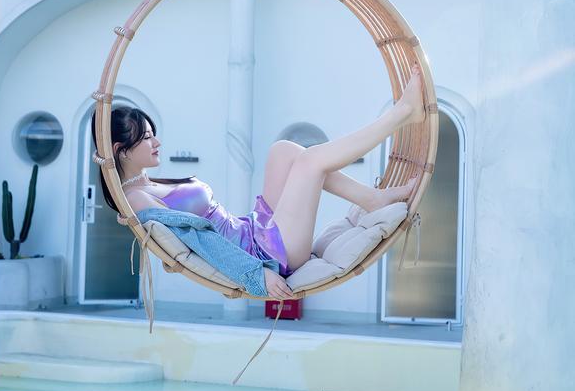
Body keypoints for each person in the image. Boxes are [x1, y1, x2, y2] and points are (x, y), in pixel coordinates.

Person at [92, 63, 426, 300]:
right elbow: (199, 239)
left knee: (283, 151)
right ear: (120, 150)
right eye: (146, 138)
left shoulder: (147, 185)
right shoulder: (136, 200)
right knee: (311, 162)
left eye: (153, 134)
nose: (156, 142)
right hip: (266, 254)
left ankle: (371, 199)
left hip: (254, 230)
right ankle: (400, 114)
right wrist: (255, 274)